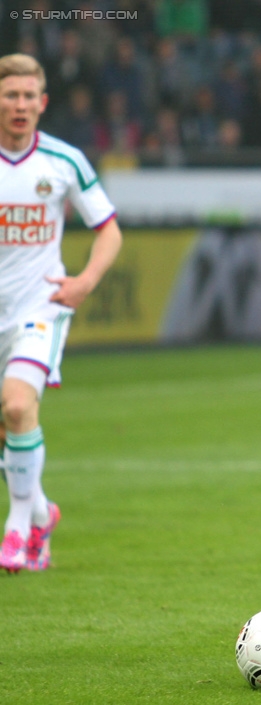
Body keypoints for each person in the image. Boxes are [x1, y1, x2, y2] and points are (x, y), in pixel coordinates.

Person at [0, 54, 123, 573]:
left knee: (16, 407)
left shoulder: (64, 161)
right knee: (9, 428)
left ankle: (15, 528)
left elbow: (109, 229)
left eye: (29, 96)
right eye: (11, 95)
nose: (21, 104)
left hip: (40, 305)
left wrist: (84, 282)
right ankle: (42, 514)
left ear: (43, 102)